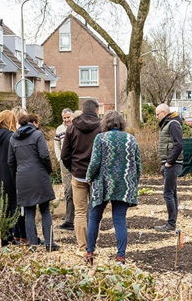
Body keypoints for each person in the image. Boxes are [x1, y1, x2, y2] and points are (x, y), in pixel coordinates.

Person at [84, 111, 141, 265]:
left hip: (102, 184)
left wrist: (89, 177)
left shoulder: (100, 138)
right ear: (121, 123)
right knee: (119, 219)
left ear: (106, 123)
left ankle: (89, 252)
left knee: (94, 217)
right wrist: (134, 181)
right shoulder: (131, 139)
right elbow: (137, 164)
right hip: (124, 184)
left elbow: (95, 162)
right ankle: (120, 256)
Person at [8, 114, 57, 251]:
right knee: (45, 210)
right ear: (34, 123)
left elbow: (11, 161)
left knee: (29, 212)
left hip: (22, 177)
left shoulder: (13, 138)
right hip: (39, 175)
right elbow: (44, 155)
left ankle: (33, 245)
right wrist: (48, 170)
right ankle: (50, 243)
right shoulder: (37, 135)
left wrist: (17, 176)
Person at [61, 99, 102, 254]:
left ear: (82, 110)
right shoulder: (101, 127)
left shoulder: (72, 128)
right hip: (96, 175)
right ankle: (93, 245)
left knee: (79, 212)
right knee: (95, 210)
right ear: (96, 110)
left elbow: (65, 154)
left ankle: (83, 246)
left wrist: (72, 168)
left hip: (78, 174)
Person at [0, 110, 26, 246]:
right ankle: (9, 239)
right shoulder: (11, 136)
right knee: (12, 208)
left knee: (2, 209)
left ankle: (5, 239)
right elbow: (13, 159)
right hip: (9, 176)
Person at [154, 103, 184, 232]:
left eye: (157, 114)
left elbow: (179, 145)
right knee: (172, 193)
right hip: (170, 163)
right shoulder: (168, 124)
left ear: (163, 112)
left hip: (172, 164)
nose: (156, 117)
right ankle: (172, 222)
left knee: (168, 194)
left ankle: (171, 224)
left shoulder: (173, 124)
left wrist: (169, 162)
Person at [54, 108, 75, 231]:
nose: (67, 120)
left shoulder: (77, 127)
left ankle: (82, 218)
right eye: (64, 118)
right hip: (65, 163)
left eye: (68, 117)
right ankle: (69, 219)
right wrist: (59, 158)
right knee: (68, 190)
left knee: (80, 190)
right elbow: (56, 145)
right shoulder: (59, 129)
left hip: (77, 162)